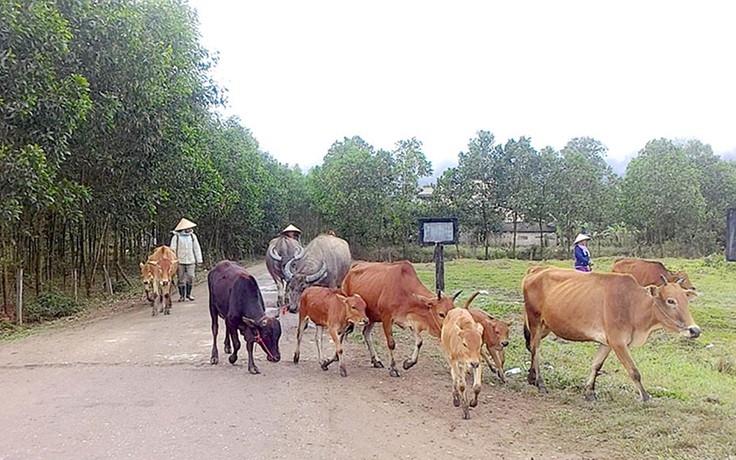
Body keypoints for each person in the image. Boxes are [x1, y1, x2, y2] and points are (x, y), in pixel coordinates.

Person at [170, 218, 203, 301]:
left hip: (191, 260)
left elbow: (196, 248)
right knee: (180, 279)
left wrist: (199, 260)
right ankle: (182, 296)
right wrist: (173, 262)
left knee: (191, 277)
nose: (190, 229)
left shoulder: (192, 236)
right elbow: (172, 250)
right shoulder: (176, 237)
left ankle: (189, 294)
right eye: (188, 228)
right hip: (180, 261)